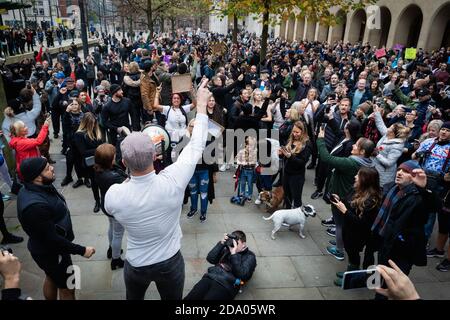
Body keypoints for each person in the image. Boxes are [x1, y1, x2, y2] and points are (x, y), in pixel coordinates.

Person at [104, 79, 210, 300]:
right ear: (155, 156)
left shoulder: (114, 194)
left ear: (123, 163)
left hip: (136, 265)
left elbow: (115, 203)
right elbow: (198, 144)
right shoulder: (173, 180)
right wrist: (200, 106)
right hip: (170, 262)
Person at [17, 157, 96, 300]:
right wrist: (82, 250)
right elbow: (52, 239)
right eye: (47, 168)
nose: (52, 168)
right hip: (53, 253)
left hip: (50, 251)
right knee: (68, 288)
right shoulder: (35, 207)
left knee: (51, 276)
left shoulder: (40, 185)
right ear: (36, 177)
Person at [372, 161, 440, 299]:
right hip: (385, 240)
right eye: (399, 170)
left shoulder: (418, 196)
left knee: (393, 281)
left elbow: (435, 206)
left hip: (402, 248)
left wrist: (424, 188)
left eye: (406, 171)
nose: (400, 173)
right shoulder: (391, 187)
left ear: (414, 177)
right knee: (380, 272)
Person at [317, 127, 376, 261]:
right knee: (343, 225)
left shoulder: (351, 163)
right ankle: (340, 243)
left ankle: (339, 250)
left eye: (356, 145)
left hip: (341, 197)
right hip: (351, 197)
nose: (353, 145)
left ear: (362, 151)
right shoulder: (369, 163)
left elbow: (326, 158)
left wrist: (320, 139)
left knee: (340, 225)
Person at [331, 167, 382, 286]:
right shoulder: (356, 189)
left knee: (353, 253)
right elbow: (349, 202)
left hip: (358, 234)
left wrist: (344, 211)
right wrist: (340, 200)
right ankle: (352, 273)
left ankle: (352, 279)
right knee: (350, 251)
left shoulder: (371, 201)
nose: (355, 177)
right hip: (349, 230)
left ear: (365, 180)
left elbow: (362, 223)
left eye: (358, 175)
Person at [184, 231, 257, 300]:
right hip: (210, 277)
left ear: (243, 244)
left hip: (226, 285)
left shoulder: (250, 256)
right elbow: (210, 259)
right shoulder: (227, 248)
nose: (233, 245)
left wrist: (234, 254)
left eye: (237, 243)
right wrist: (221, 243)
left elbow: (242, 275)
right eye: (233, 242)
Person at [94, 144, 127, 270]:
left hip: (106, 204)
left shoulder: (98, 169)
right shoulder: (114, 177)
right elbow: (128, 181)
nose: (116, 156)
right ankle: (116, 259)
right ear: (109, 160)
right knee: (118, 234)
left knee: (112, 227)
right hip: (116, 208)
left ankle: (111, 248)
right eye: (114, 155)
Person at [372, 106, 411, 187]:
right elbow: (380, 125)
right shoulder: (387, 135)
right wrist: (377, 112)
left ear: (393, 133)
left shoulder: (397, 146)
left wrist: (377, 155)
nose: (388, 128)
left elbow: (389, 163)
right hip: (375, 169)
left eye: (390, 128)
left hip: (384, 176)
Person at [73, 113, 103, 212]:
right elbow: (83, 152)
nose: (94, 125)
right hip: (90, 164)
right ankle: (97, 201)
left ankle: (104, 200)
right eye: (91, 124)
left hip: (100, 160)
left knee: (103, 181)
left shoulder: (97, 130)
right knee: (94, 183)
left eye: (94, 123)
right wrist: (99, 149)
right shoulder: (79, 134)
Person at [279, 121, 312, 209]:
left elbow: (302, 162)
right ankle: (288, 213)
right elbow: (285, 156)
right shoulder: (290, 140)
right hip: (287, 173)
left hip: (297, 176)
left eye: (297, 132)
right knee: (287, 196)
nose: (294, 134)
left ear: (303, 132)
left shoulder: (307, 144)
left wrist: (290, 156)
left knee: (296, 198)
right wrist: (281, 154)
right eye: (293, 131)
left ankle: (297, 216)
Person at [61, 98, 85, 187]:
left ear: (79, 105)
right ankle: (68, 177)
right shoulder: (67, 115)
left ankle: (82, 179)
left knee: (80, 161)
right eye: (72, 104)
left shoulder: (83, 115)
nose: (74, 106)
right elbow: (64, 125)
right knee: (69, 160)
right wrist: (67, 112)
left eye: (76, 104)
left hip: (81, 141)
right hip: (70, 142)